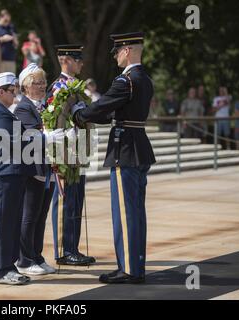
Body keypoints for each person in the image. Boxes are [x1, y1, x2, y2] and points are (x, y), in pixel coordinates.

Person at [71, 32, 156, 284]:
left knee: (125, 214)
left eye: (118, 51)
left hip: (125, 150)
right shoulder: (145, 79)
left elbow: (103, 106)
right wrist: (90, 114)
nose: (116, 56)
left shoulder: (126, 80)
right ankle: (135, 266)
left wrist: (79, 115)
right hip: (139, 147)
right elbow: (111, 112)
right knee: (137, 213)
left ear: (127, 50)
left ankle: (129, 270)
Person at [0, 72, 35, 285]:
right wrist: (43, 137)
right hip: (3, 175)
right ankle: (2, 270)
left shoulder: (4, 112)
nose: (15, 93)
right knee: (3, 223)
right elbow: (15, 140)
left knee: (11, 223)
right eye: (11, 90)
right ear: (0, 92)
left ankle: (9, 265)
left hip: (12, 174)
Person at [48, 44, 96, 266]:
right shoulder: (59, 88)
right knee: (65, 202)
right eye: (78, 59)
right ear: (66, 60)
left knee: (76, 203)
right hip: (64, 156)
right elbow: (54, 123)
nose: (82, 63)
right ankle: (64, 250)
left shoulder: (74, 88)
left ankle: (73, 248)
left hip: (76, 155)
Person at [14, 63, 63, 275]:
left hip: (48, 167)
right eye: (36, 82)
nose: (42, 85)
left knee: (41, 215)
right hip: (32, 167)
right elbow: (31, 136)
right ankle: (24, 260)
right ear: (25, 86)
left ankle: (36, 255)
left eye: (43, 81)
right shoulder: (24, 107)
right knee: (29, 215)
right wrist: (51, 135)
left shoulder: (47, 105)